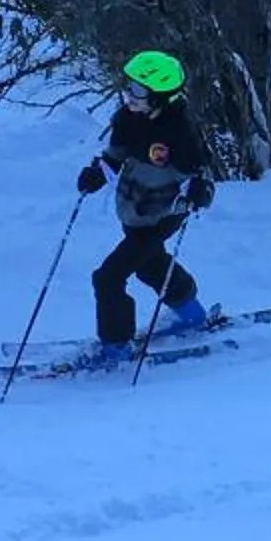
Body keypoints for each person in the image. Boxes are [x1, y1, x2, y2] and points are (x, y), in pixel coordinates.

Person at [74, 49, 218, 368]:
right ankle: (191, 313)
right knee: (150, 265)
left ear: (159, 96)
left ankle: (116, 346)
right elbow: (114, 156)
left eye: (138, 90)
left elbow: (201, 178)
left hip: (161, 216)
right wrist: (98, 173)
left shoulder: (180, 131)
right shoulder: (128, 118)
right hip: (133, 212)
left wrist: (198, 191)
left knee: (108, 278)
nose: (130, 94)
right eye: (129, 85)